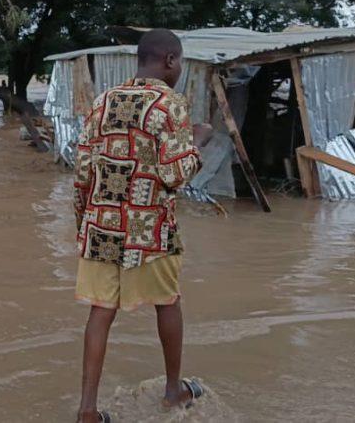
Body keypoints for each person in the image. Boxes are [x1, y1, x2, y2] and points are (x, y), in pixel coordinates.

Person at [73, 29, 213, 423]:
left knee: (100, 312)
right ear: (170, 60)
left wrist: (83, 226)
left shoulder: (102, 102)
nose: (180, 69)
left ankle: (87, 410)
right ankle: (172, 392)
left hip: (101, 228)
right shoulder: (170, 104)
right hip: (148, 230)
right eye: (180, 62)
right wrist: (198, 140)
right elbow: (174, 174)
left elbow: (82, 172)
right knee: (168, 302)